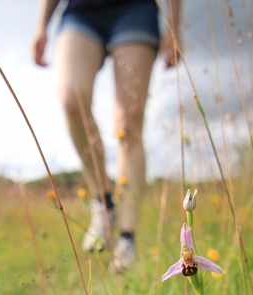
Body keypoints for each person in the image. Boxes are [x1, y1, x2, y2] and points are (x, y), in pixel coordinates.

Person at [32, 0, 181, 271]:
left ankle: (127, 238)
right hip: (80, 12)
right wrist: (41, 25)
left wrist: (174, 25)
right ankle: (103, 201)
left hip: (135, 9)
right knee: (70, 98)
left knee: (128, 124)